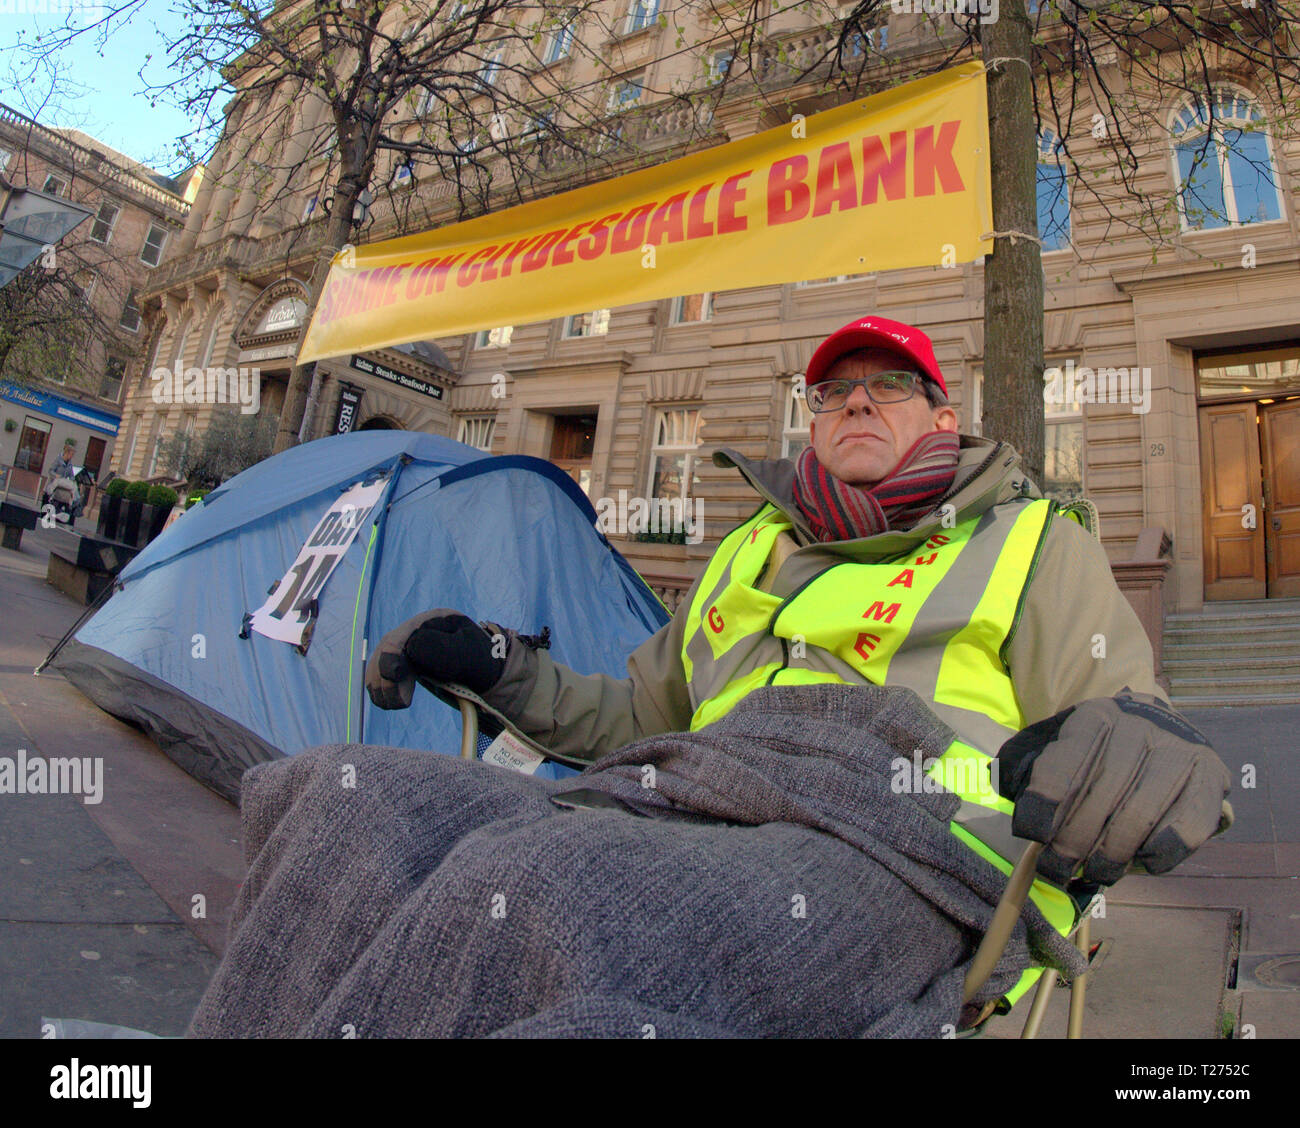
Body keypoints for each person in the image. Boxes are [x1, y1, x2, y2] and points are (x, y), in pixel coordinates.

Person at [191, 316, 1231, 1038]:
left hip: (894, 840)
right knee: (336, 799)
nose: (856, 401)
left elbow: (1114, 709)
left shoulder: (1029, 539)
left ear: (939, 417)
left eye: (890, 387)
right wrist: (500, 667)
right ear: (810, 420)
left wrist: (1141, 749)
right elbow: (631, 718)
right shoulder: (749, 550)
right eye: (833, 391)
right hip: (670, 794)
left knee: (534, 889)